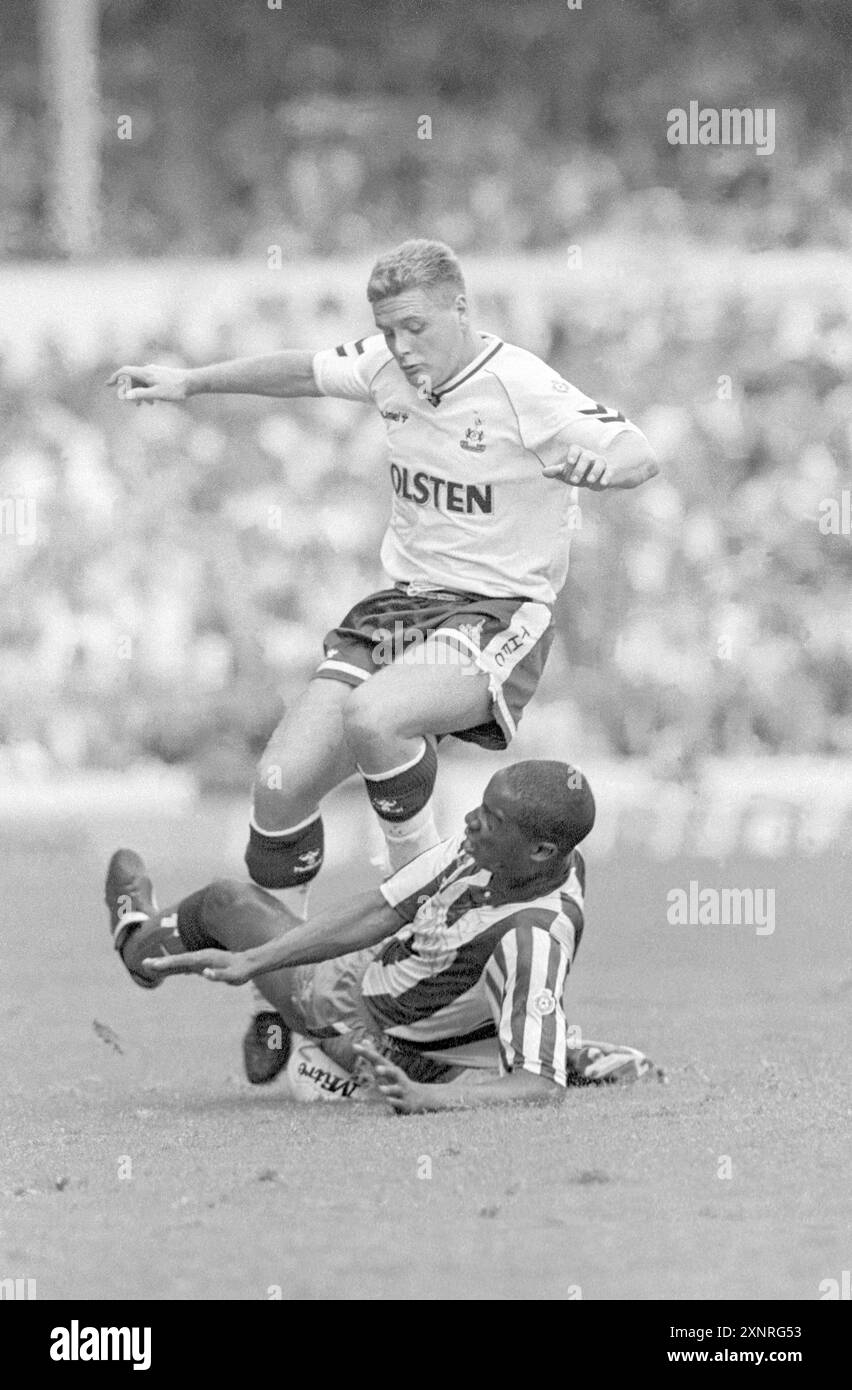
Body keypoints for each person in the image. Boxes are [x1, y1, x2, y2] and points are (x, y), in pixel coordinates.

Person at [107, 238, 659, 1075]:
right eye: (388, 330)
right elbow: (301, 369)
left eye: (415, 327)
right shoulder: (388, 368)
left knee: (377, 714)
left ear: (461, 311)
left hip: (495, 612)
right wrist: (191, 381)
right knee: (280, 786)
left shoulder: (524, 388)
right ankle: (275, 1002)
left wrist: (604, 467)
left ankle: (418, 896)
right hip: (399, 611)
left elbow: (637, 449)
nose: (401, 346)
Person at [106, 760, 662, 1113]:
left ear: (540, 850)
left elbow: (541, 1090)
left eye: (491, 819)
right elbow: (381, 908)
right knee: (275, 946)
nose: (470, 822)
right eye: (481, 807)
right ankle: (553, 1042)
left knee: (225, 903)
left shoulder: (532, 938)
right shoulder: (517, 854)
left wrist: (427, 1098)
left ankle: (135, 936)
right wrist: (259, 959)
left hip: (372, 1031)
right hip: (388, 972)